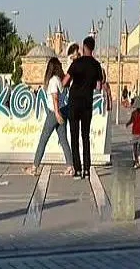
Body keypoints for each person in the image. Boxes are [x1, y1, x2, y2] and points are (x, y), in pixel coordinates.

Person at [62, 36, 106, 180]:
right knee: (85, 136)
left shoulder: (76, 63)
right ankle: (87, 169)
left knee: (74, 136)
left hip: (74, 102)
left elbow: (65, 81)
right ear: (93, 47)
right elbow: (99, 86)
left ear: (83, 47)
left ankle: (77, 169)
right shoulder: (96, 65)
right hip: (87, 103)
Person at [28, 57, 71, 176]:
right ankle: (70, 166)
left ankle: (34, 166)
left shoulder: (52, 81)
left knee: (43, 139)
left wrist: (56, 113)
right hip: (63, 110)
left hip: (54, 112)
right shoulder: (60, 79)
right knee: (63, 139)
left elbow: (55, 97)